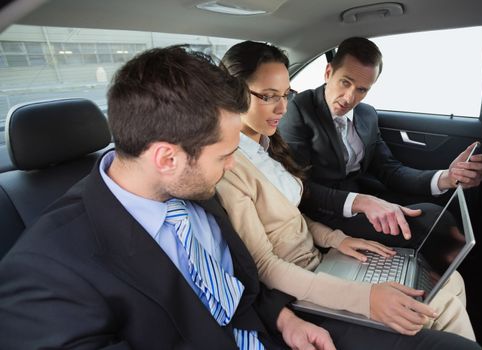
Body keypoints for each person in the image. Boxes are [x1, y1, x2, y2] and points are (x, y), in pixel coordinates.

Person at [0, 46, 337, 350]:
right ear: (166, 158)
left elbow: (235, 282)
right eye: (223, 156)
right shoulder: (46, 277)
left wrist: (284, 321)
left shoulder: (190, 188)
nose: (232, 165)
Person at [217, 40, 477, 342]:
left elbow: (292, 214)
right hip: (301, 284)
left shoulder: (265, 145)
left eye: (286, 94)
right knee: (441, 303)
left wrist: (339, 240)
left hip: (321, 257)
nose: (282, 108)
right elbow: (266, 265)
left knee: (451, 282)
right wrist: (366, 296)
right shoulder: (230, 165)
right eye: (268, 96)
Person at [278, 37, 482, 246]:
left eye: (362, 89)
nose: (349, 98)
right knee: (429, 219)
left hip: (364, 190)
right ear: (328, 73)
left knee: (443, 204)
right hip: (324, 207)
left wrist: (447, 177)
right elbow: (298, 185)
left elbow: (389, 170)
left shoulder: (367, 115)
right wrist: (361, 202)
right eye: (345, 82)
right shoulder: (298, 110)